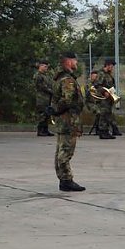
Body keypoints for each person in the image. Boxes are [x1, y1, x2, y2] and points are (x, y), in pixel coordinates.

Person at [50, 51, 86, 191]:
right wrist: (56, 109)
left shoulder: (60, 77)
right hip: (68, 121)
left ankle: (63, 179)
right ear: (69, 62)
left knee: (60, 151)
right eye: (75, 61)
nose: (76, 63)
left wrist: (54, 110)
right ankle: (66, 180)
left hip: (63, 121)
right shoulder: (67, 80)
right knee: (65, 152)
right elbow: (68, 99)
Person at [97, 58, 121, 137]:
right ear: (107, 65)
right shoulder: (101, 74)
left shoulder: (108, 74)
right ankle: (103, 131)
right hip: (103, 98)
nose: (112, 67)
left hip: (109, 98)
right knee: (104, 114)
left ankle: (106, 131)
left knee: (108, 114)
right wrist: (104, 92)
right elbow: (97, 85)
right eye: (111, 65)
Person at [33, 59, 55, 136]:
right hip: (41, 98)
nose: (46, 68)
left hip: (47, 98)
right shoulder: (38, 76)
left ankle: (45, 130)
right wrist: (51, 91)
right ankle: (40, 130)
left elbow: (50, 84)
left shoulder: (46, 76)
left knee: (47, 114)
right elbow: (41, 87)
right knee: (42, 114)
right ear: (41, 66)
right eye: (45, 66)